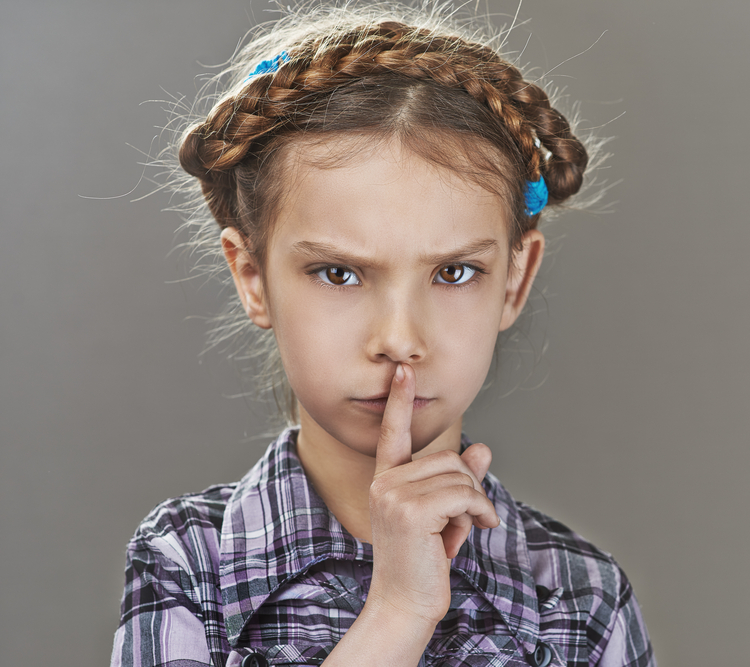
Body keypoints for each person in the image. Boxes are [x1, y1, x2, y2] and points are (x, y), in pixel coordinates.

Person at [111, 3, 655, 666]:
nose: (400, 338)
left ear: (514, 280)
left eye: (454, 272)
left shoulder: (581, 598)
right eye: (339, 273)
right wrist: (397, 613)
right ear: (253, 276)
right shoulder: (188, 562)